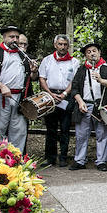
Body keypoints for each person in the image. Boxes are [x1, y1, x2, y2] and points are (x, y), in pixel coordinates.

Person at [0, 25, 37, 153]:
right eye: (11, 37)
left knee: (19, 131)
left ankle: (17, 161)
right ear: (4, 37)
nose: (15, 40)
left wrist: (34, 72)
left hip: (20, 98)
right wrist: (2, 86)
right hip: (0, 97)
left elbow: (32, 78)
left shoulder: (24, 56)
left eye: (17, 37)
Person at [66, 43, 107, 171]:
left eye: (94, 51)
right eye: (88, 52)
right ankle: (79, 160)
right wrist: (80, 102)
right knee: (81, 134)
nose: (91, 54)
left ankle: (101, 161)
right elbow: (75, 88)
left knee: (102, 133)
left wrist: (100, 80)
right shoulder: (82, 69)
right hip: (85, 104)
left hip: (101, 105)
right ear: (85, 56)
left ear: (99, 53)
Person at [38, 34, 80, 167]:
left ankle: (63, 157)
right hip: (49, 96)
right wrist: (50, 94)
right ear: (55, 45)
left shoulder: (74, 62)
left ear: (68, 46)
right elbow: (42, 78)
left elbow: (75, 81)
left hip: (66, 97)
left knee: (65, 129)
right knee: (50, 129)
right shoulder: (47, 60)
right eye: (60, 44)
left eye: (65, 44)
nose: (62, 47)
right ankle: (50, 158)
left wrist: (64, 94)